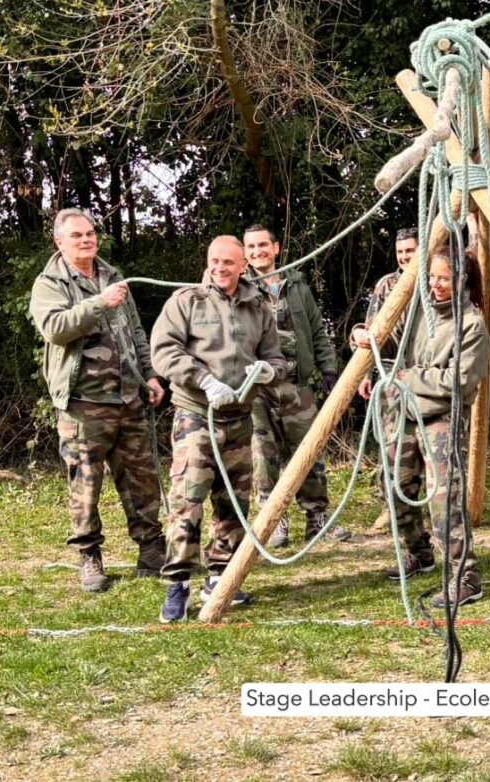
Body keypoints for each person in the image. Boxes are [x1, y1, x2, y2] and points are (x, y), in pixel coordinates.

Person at [29, 208, 166, 593]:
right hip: (83, 403)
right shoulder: (50, 283)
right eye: (77, 235)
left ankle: (151, 551)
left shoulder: (112, 275)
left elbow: (135, 330)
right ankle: (90, 556)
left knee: (141, 479)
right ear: (59, 242)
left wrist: (149, 374)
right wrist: (100, 303)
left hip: (128, 397)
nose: (87, 240)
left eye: (90, 233)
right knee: (86, 485)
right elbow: (55, 329)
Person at [151, 235, 286, 623]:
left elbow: (276, 357)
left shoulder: (258, 306)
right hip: (197, 414)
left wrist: (269, 371)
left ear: (243, 266)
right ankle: (178, 584)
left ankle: (220, 576)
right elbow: (164, 351)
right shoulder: (187, 301)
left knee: (233, 502)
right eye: (215, 260)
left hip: (240, 416)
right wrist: (203, 380)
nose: (220, 267)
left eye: (229, 262)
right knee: (187, 498)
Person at [352, 245, 490, 607]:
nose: (436, 285)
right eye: (432, 277)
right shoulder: (418, 312)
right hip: (404, 413)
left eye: (444, 278)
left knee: (444, 499)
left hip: (441, 418)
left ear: (461, 279)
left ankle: (466, 577)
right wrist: (361, 336)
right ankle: (420, 552)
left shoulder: (472, 326)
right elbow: (385, 339)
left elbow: (460, 381)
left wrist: (409, 377)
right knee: (394, 485)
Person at [242, 224, 349, 547]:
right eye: (251, 247)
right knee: (264, 457)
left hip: (297, 385)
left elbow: (316, 329)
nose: (258, 251)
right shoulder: (239, 287)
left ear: (276, 248)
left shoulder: (297, 283)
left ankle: (317, 518)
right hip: (258, 389)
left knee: (310, 451)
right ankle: (274, 521)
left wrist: (328, 368)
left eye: (263, 245)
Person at [358, 227, 419, 530]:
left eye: (410, 251)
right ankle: (391, 505)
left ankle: (425, 503)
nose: (405, 257)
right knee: (391, 445)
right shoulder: (386, 285)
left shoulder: (435, 279)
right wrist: (365, 373)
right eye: (401, 252)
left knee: (425, 444)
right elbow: (372, 332)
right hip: (392, 374)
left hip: (424, 374)